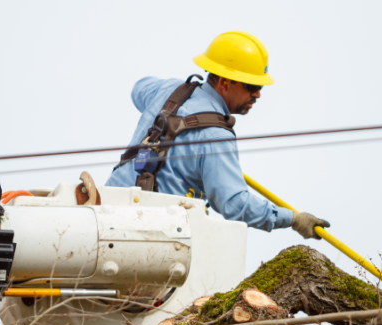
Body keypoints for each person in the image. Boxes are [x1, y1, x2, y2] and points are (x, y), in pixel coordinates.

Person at [105, 31, 329, 239]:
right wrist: (292, 219)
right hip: (147, 232)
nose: (258, 94)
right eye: (251, 85)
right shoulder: (215, 136)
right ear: (224, 82)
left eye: (260, 86)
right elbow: (235, 204)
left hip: (106, 208)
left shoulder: (170, 90)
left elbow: (139, 89)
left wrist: (163, 112)